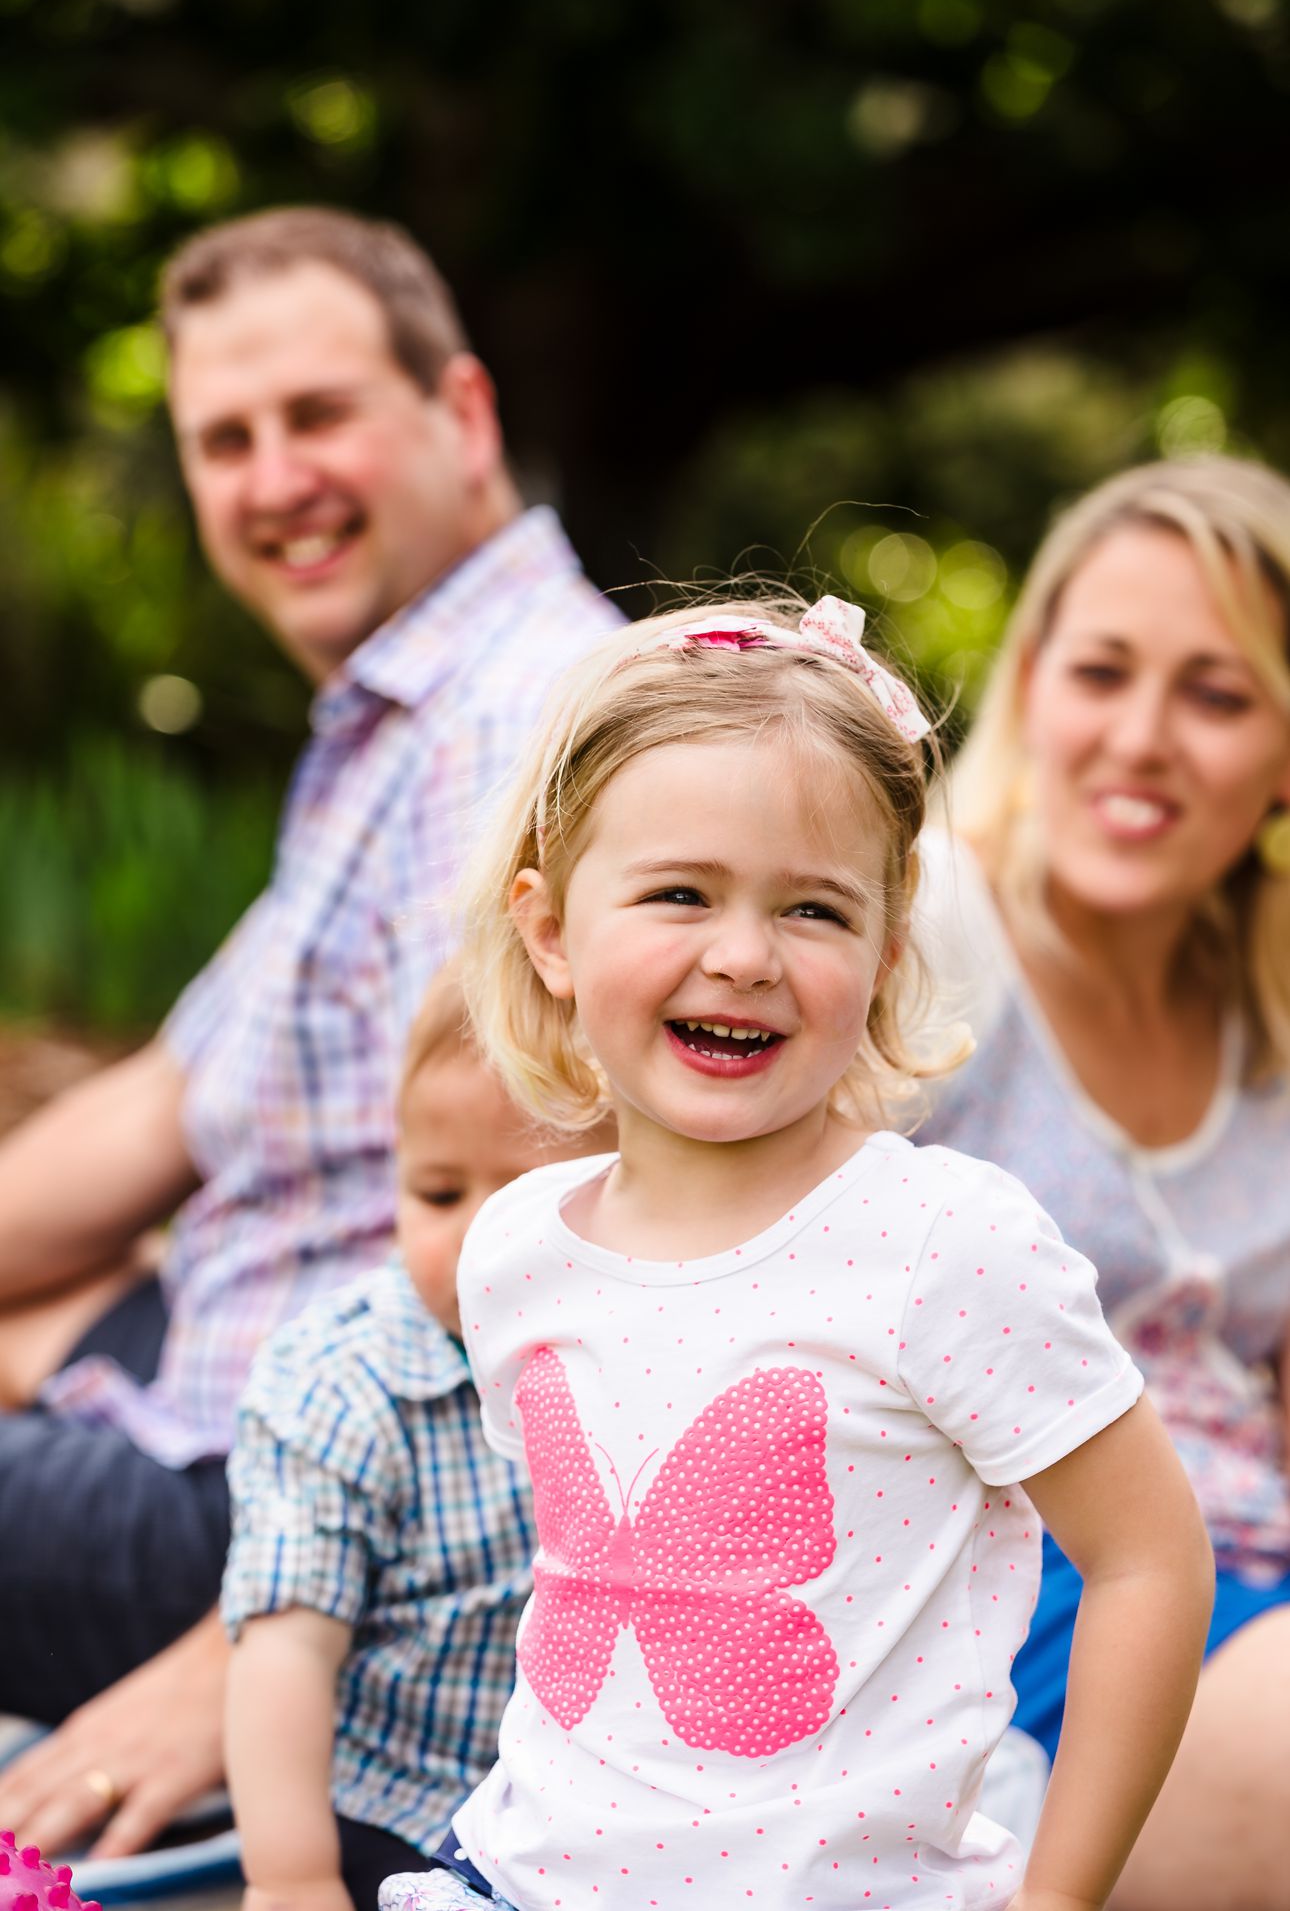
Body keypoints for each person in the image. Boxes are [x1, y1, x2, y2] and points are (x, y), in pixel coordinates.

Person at [378, 595, 1212, 1911]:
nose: (742, 954)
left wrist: (1058, 1895)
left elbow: (1148, 1556)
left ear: (885, 952)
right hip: (523, 1879)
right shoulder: (512, 1250)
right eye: (676, 892)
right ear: (548, 927)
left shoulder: (944, 1243)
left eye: (813, 910)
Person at [0, 206, 620, 1860]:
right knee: (50, 1285)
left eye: (318, 415)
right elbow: (165, 1106)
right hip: (221, 1368)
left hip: (312, 1499)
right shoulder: (400, 727)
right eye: (226, 439)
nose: (274, 479)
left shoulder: (538, 740)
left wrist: (250, 1646)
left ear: (463, 416)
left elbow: (591, 1272)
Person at [914, 454, 1290, 1911]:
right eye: (1100, 672)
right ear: (1030, 687)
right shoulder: (933, 932)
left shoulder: (1267, 993)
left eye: (1215, 693)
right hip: (1033, 1585)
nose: (1140, 738)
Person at [222, 964, 615, 1911]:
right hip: (395, 1803)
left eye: (522, 1195)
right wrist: (291, 1876)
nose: (474, 1236)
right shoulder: (343, 1385)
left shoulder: (647, 1355)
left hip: (589, 1815)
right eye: (437, 1193)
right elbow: (285, 1652)